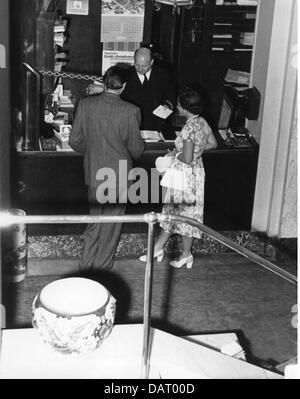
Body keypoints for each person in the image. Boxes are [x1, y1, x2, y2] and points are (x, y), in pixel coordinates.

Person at [69, 65, 145, 271]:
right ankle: (101, 270)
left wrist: (92, 151)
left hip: (94, 172)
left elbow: (74, 141)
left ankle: (85, 266)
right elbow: (137, 150)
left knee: (95, 220)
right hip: (119, 175)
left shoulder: (85, 105)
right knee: (111, 225)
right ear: (124, 86)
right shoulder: (131, 111)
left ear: (103, 82)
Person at [139, 88, 217, 268]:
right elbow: (212, 144)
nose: (177, 107)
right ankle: (184, 254)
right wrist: (193, 151)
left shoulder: (189, 128)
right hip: (196, 173)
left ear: (185, 108)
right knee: (188, 215)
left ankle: (160, 249)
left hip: (182, 174)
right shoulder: (202, 122)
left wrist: (176, 155)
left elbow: (187, 158)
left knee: (171, 212)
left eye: (180, 105)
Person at [121, 46, 176, 133]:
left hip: (157, 124)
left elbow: (171, 95)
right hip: (132, 124)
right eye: (137, 65)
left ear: (152, 62)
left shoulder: (163, 74)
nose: (140, 69)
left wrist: (167, 106)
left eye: (144, 66)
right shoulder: (126, 75)